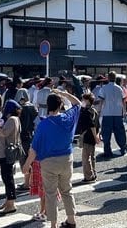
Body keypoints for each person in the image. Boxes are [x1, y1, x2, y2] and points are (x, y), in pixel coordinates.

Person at [23, 90, 81, 228]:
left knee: (50, 193)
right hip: (66, 158)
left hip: (48, 161)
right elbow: (78, 103)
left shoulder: (43, 125)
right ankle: (71, 220)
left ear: (47, 106)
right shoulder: (68, 117)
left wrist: (27, 165)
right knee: (67, 190)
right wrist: (64, 93)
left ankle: (53, 224)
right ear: (60, 105)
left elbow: (34, 148)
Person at [0, 99, 22, 214]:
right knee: (7, 177)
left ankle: (11, 203)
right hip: (7, 151)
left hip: (6, 152)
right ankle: (8, 201)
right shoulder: (15, 119)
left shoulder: (11, 119)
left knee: (8, 177)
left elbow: (4, 133)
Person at [98, 71, 127, 157]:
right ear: (115, 78)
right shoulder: (119, 88)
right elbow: (124, 100)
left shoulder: (104, 88)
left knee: (106, 133)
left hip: (107, 113)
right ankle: (123, 148)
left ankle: (107, 151)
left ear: (108, 78)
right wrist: (124, 111)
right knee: (120, 132)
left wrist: (99, 111)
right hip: (118, 113)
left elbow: (101, 101)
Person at [17, 91, 38, 191]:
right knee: (31, 158)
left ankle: (27, 183)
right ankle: (30, 182)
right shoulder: (33, 107)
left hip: (23, 135)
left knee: (24, 159)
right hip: (32, 134)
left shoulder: (21, 109)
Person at [77, 93, 100, 183]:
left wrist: (95, 136)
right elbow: (97, 125)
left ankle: (89, 176)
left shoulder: (86, 111)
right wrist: (97, 135)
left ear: (87, 100)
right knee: (92, 156)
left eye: (83, 99)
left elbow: (92, 125)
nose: (82, 101)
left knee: (86, 157)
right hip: (92, 136)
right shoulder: (94, 110)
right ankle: (93, 173)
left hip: (88, 136)